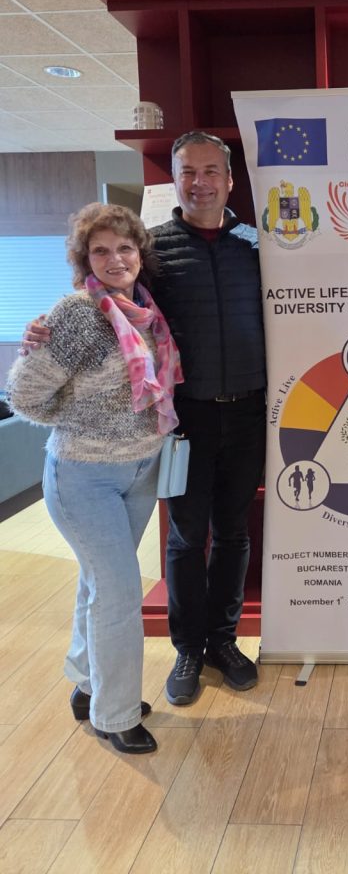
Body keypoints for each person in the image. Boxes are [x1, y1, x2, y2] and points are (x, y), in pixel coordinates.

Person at [23, 131, 267, 707]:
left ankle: (223, 641)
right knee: (186, 536)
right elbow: (105, 299)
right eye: (188, 172)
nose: (200, 182)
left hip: (250, 412)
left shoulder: (258, 245)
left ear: (230, 180)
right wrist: (42, 329)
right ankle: (188, 649)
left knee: (234, 532)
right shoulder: (153, 249)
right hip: (183, 421)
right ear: (175, 179)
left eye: (211, 171)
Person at [9, 204, 183, 755]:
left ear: (140, 255)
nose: (115, 259)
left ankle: (88, 686)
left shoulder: (146, 312)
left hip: (141, 470)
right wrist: (81, 420)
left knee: (98, 585)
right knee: (120, 594)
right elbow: (23, 396)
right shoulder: (77, 315)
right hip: (84, 476)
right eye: (101, 250)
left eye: (125, 248)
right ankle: (117, 713)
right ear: (85, 259)